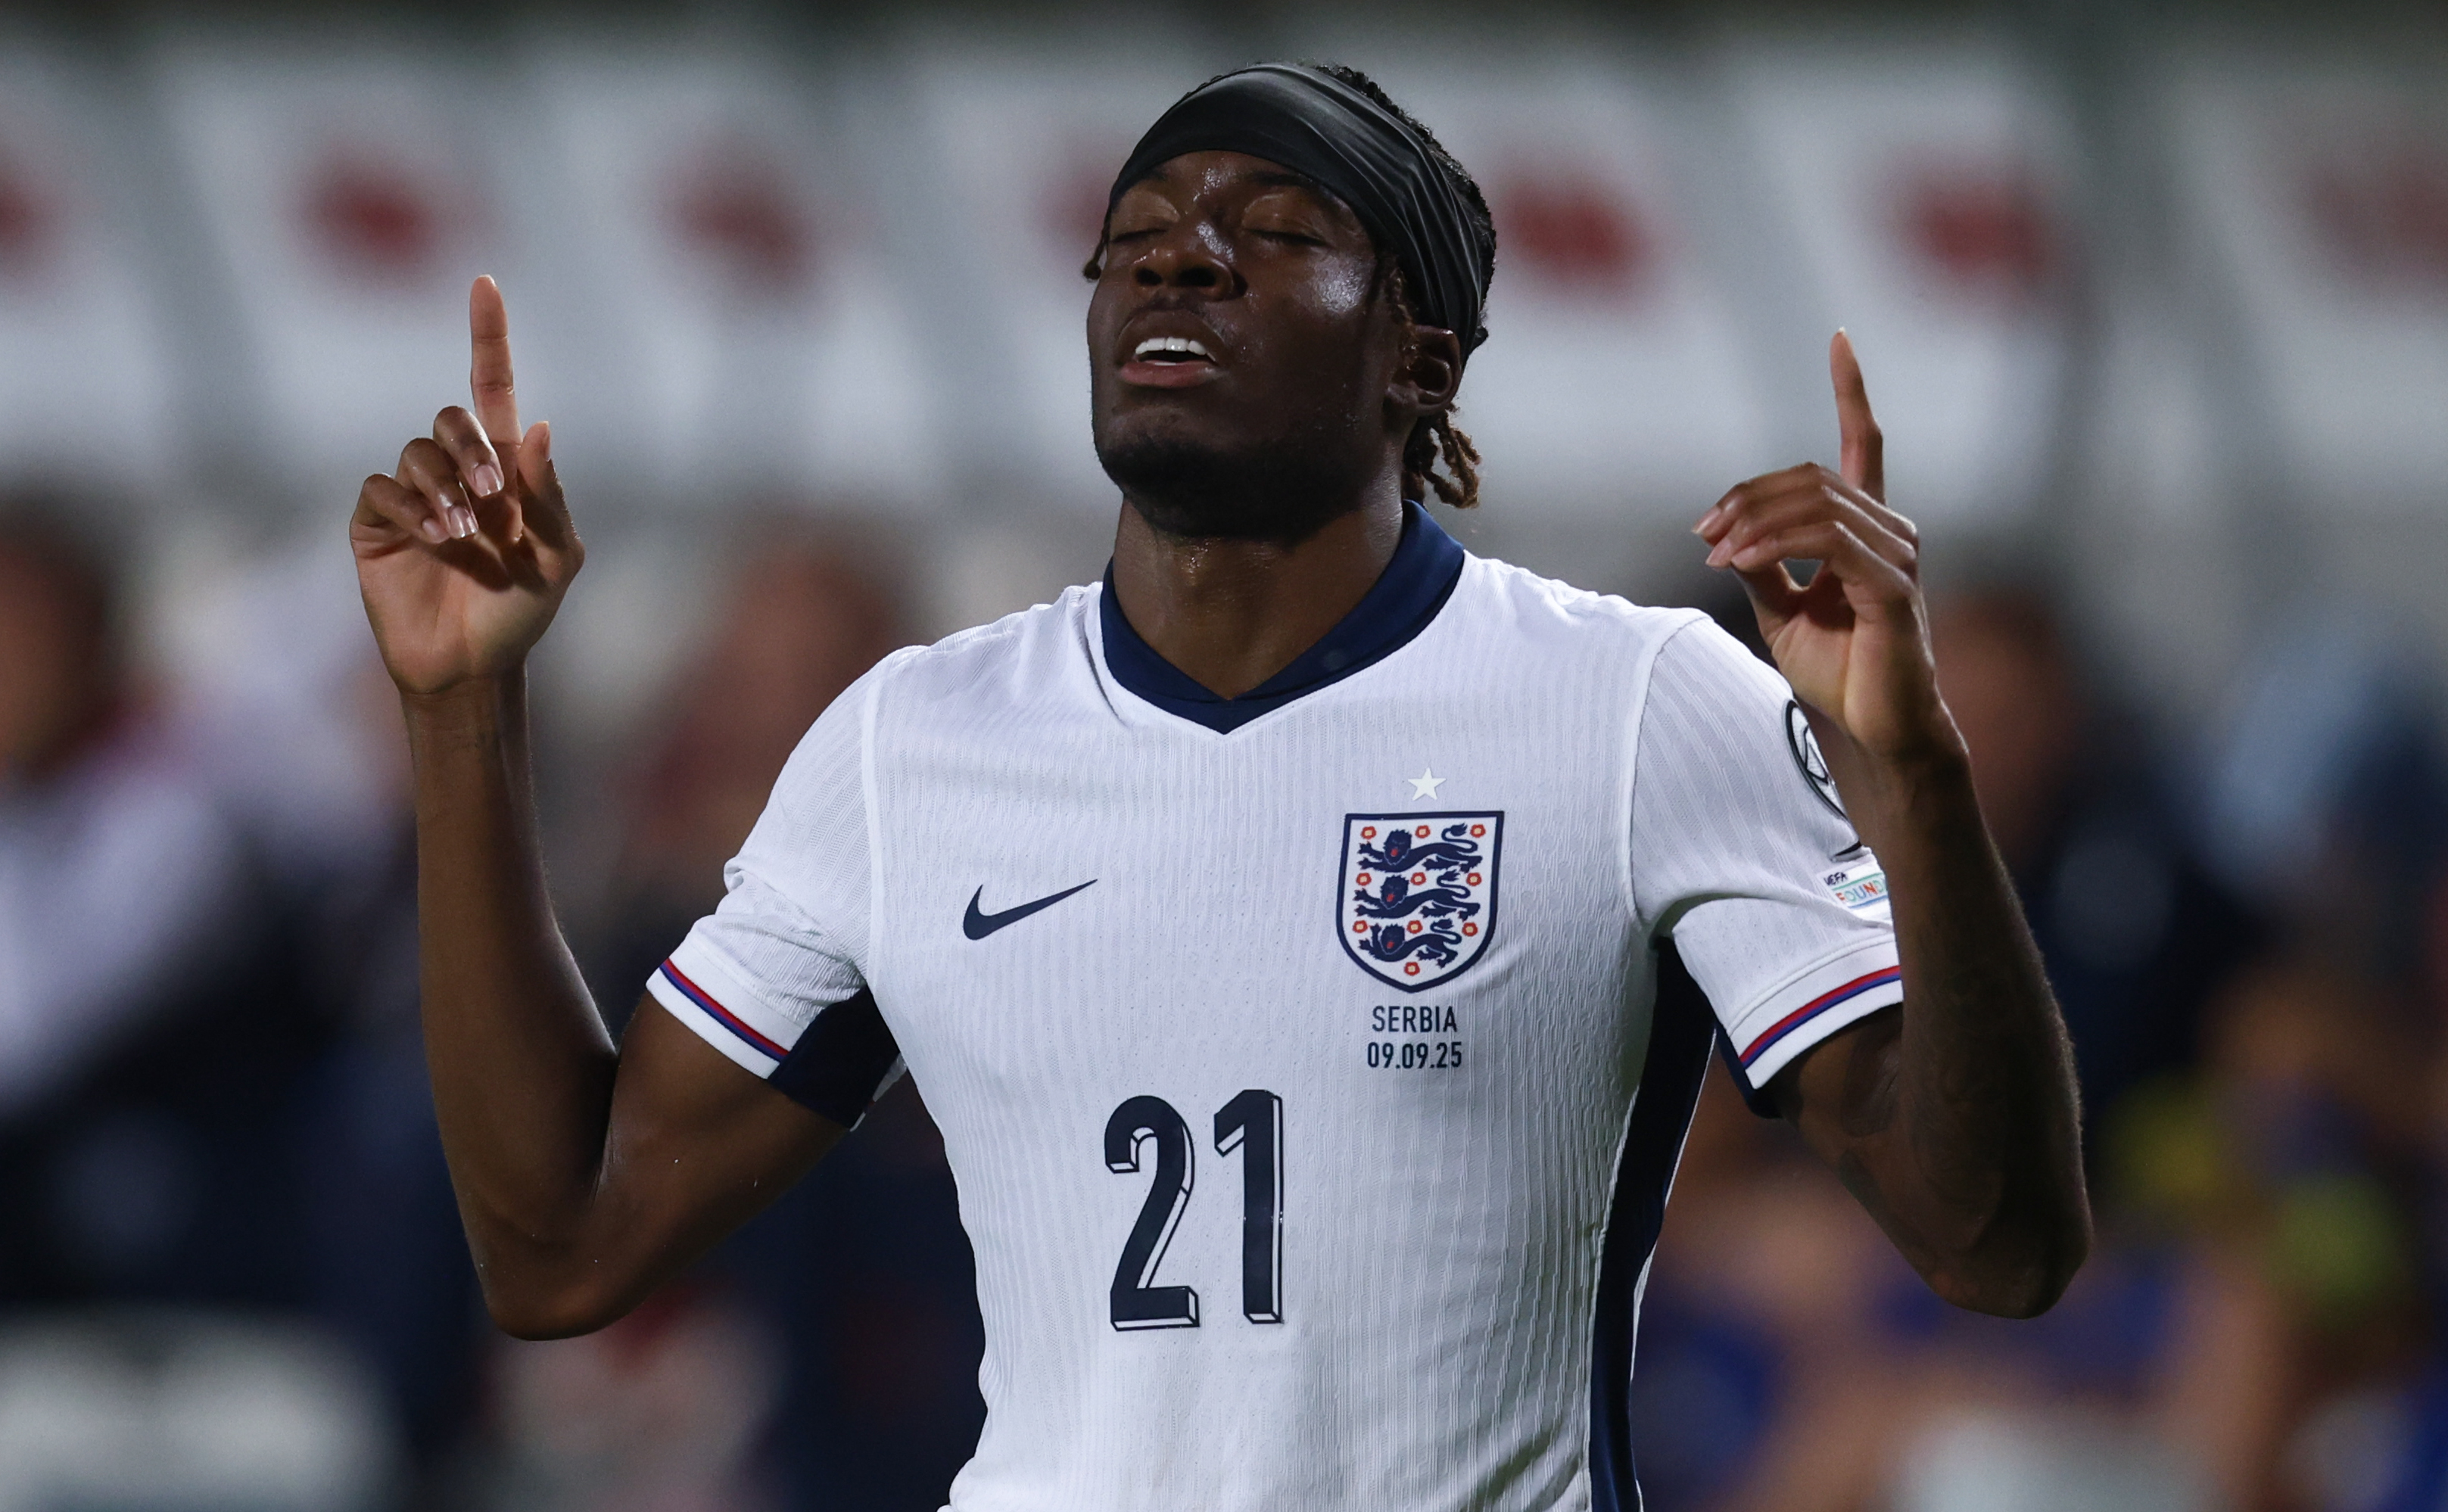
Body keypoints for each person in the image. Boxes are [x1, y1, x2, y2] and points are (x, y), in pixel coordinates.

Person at [348, 63, 2088, 1511]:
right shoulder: (911, 744)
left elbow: (1999, 1246)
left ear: (1420, 357)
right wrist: (461, 707)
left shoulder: (1638, 706)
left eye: (1269, 238)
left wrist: (1917, 775)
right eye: (1135, 248)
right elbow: (560, 1248)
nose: (1178, 271)